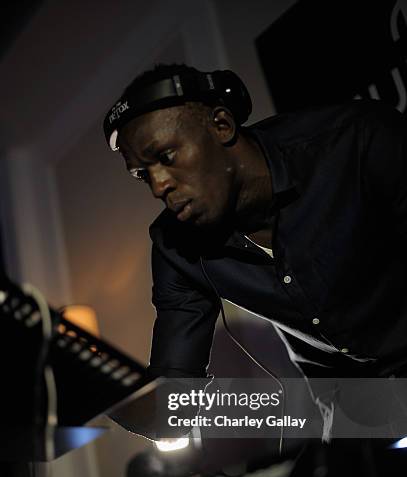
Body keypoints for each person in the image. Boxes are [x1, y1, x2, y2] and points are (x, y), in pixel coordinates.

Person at [103, 63, 407, 437]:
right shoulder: (174, 245)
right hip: (352, 413)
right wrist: (82, 386)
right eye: (142, 174)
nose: (158, 186)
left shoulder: (358, 141)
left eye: (165, 157)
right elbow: (174, 405)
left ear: (221, 125)